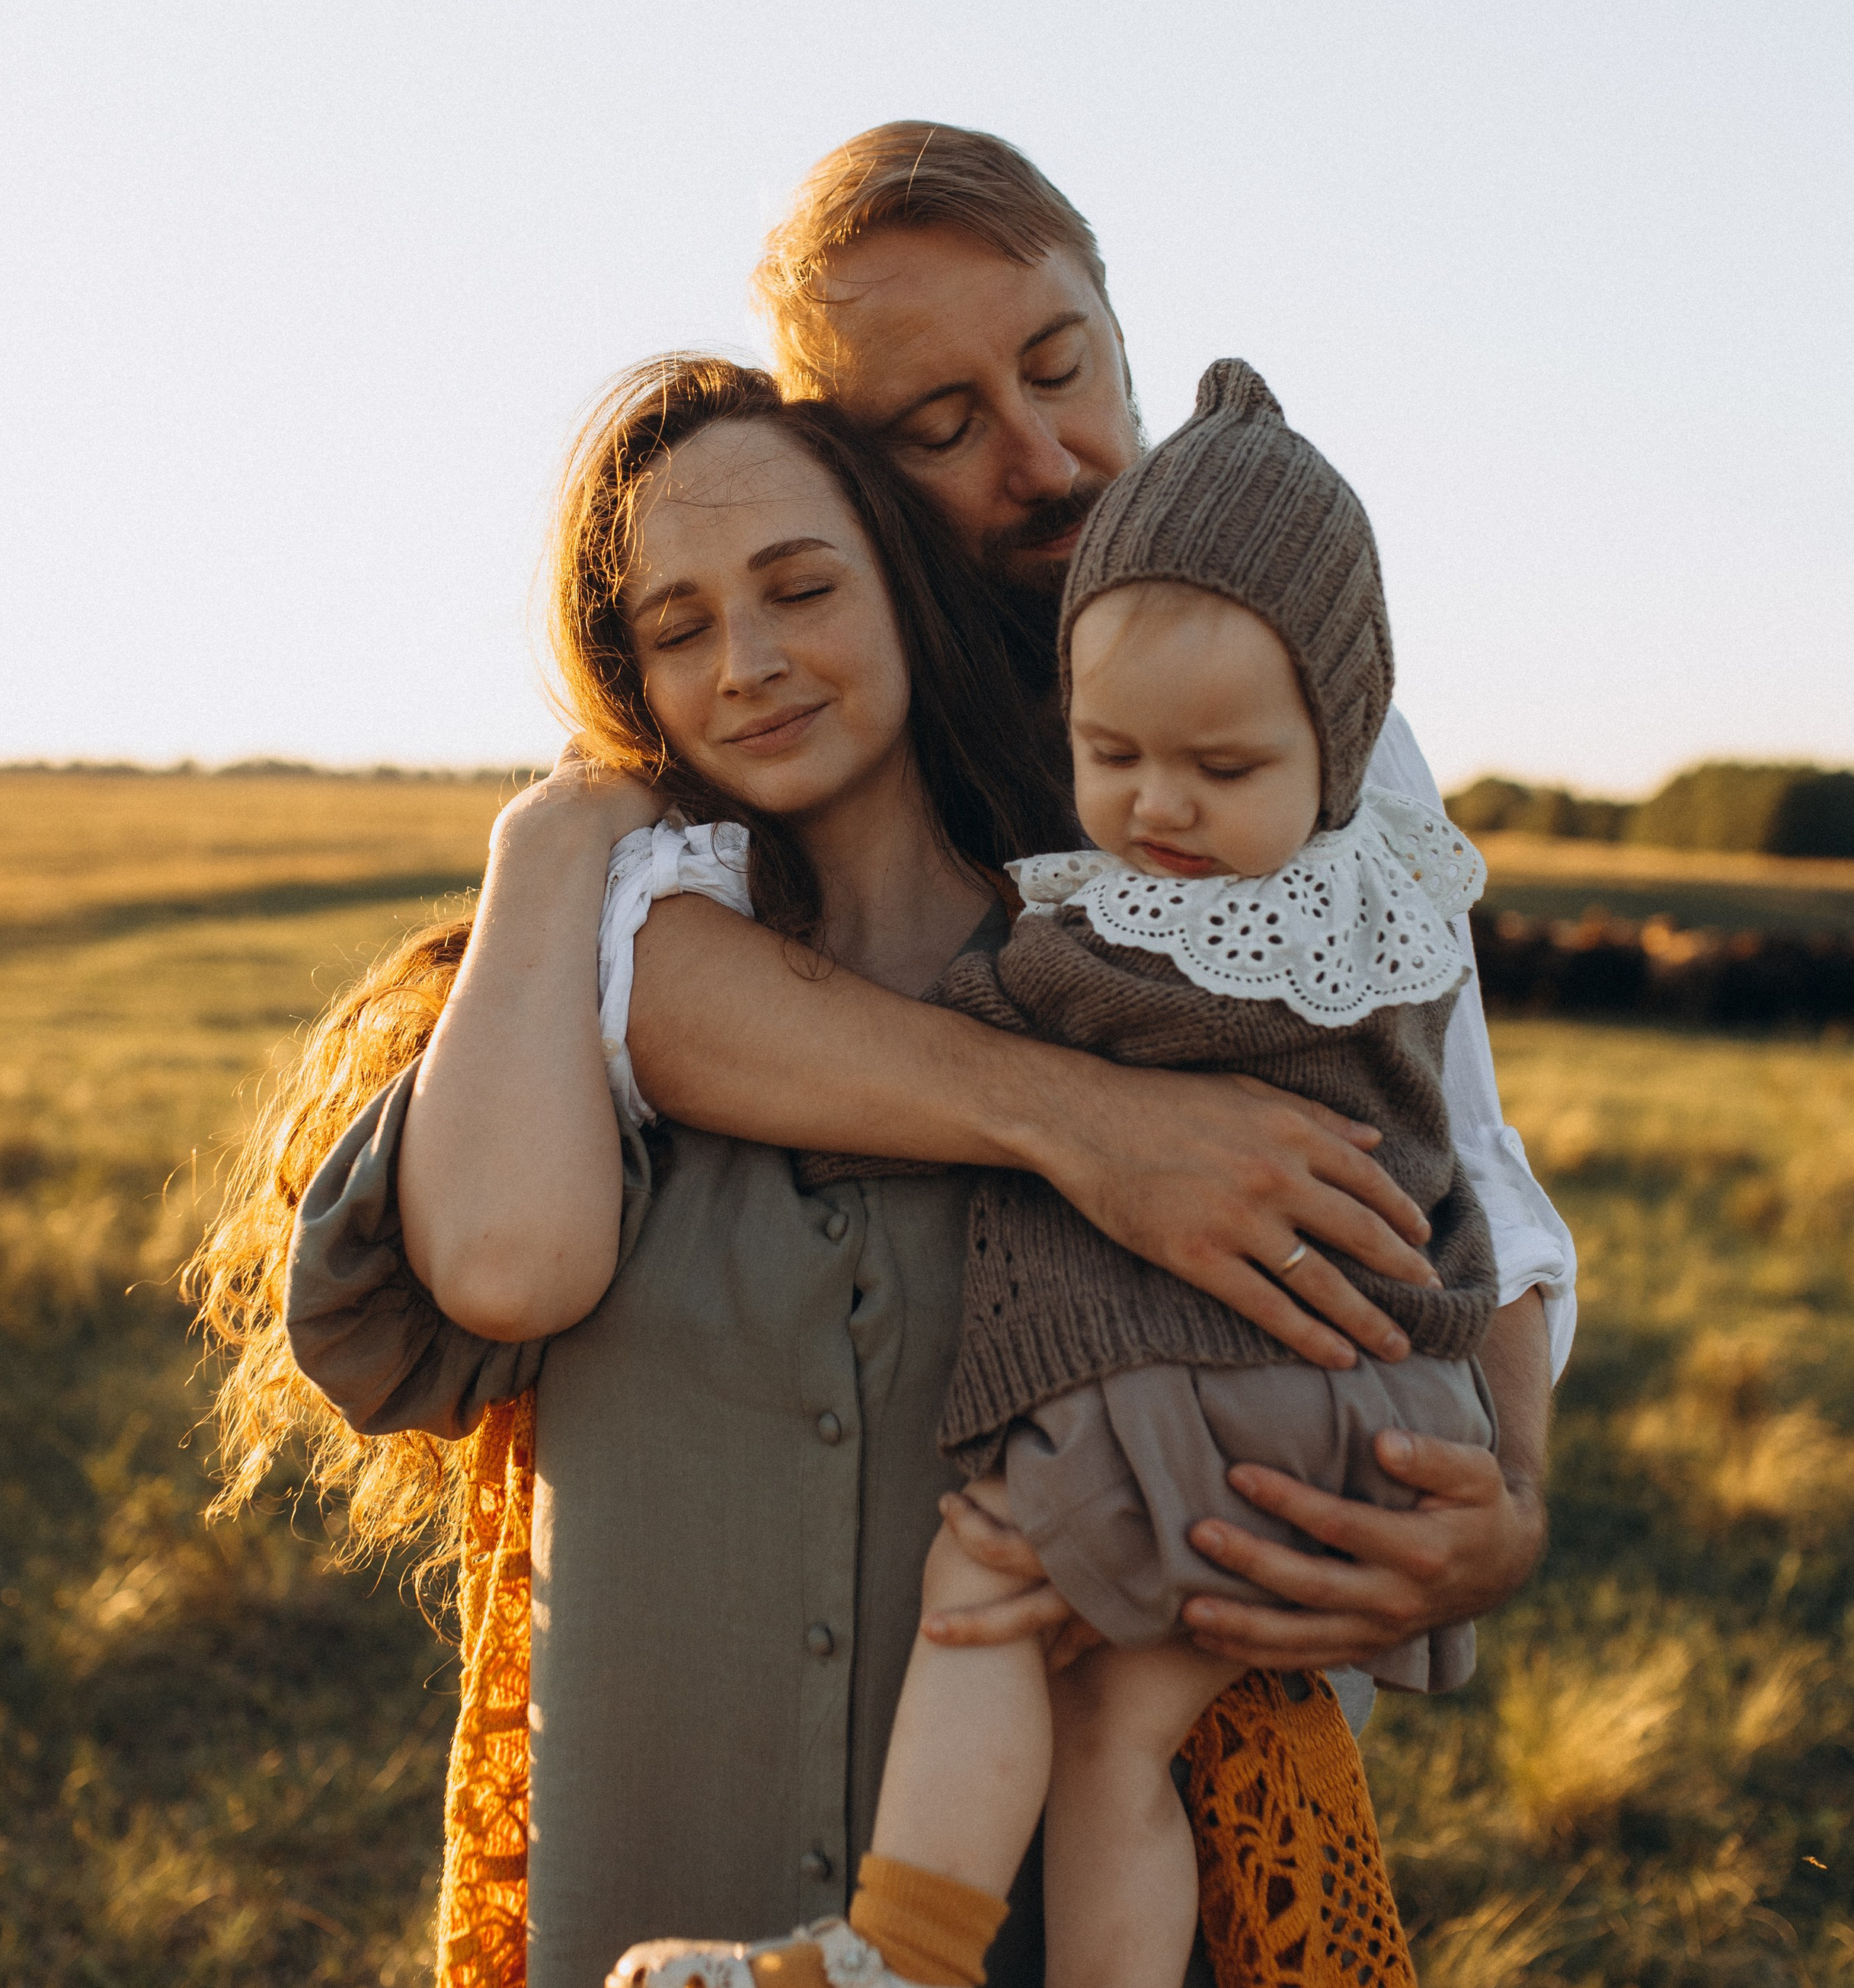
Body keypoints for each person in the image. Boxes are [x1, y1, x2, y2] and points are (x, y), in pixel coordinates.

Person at [200, 355, 1475, 1988]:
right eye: (674, 628)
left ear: (899, 573)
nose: (751, 662)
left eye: (801, 584)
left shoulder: (1166, 984)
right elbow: (514, 1262)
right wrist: (557, 840)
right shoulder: (592, 1002)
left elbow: (1420, 1296)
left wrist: (1478, 1504)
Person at [609, 360, 1501, 1988]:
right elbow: (1464, 1200)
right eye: (1118, 764)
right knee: (1116, 1736)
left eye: (1224, 773)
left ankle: (902, 1960)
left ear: (1336, 753)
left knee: (984, 1598)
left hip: (1218, 1398)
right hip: (1347, 1409)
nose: (1162, 814)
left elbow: (992, 1018)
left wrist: (936, 1015)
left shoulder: (1184, 943)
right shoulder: (1371, 911)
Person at [603, 122, 1573, 1712]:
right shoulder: (791, 695)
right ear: (848, 467)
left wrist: (1509, 1497)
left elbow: (1465, 1143)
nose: (1043, 457)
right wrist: (1085, 1122)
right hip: (867, 1627)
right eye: (940, 424)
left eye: (1061, 366)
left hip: (1237, 1589)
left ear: (1120, 333)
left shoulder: (1319, 720)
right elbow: (654, 982)